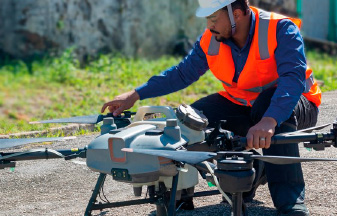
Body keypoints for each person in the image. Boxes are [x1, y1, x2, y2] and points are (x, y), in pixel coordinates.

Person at [101, 0, 321, 215]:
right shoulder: (212, 38)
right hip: (243, 104)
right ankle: (182, 196)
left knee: (266, 105)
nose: (209, 25)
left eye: (213, 18)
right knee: (190, 122)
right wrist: (135, 94)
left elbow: (292, 79)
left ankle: (290, 204)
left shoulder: (280, 29)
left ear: (236, 14)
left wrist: (269, 120)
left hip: (295, 104)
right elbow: (181, 73)